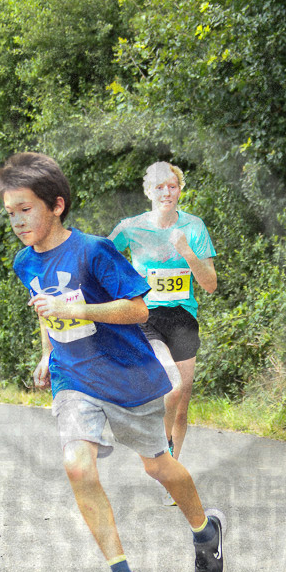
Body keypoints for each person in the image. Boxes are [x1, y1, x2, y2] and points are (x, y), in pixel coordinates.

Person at [0, 151, 226, 572]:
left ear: (56, 205)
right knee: (77, 466)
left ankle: (205, 531)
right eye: (10, 212)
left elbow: (139, 310)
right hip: (74, 377)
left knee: (158, 466)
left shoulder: (94, 251)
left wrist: (80, 311)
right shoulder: (23, 262)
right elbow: (45, 306)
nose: (17, 221)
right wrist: (47, 352)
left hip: (127, 375)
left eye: (26, 210)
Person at [109, 162, 217, 467]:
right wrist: (123, 287)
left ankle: (172, 472)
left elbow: (210, 285)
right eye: (159, 187)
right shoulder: (131, 227)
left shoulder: (194, 227)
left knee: (181, 406)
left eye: (172, 186)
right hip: (146, 317)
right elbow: (101, 260)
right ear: (148, 191)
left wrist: (187, 251)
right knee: (173, 386)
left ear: (180, 190)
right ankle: (160, 450)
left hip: (183, 317)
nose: (166, 192)